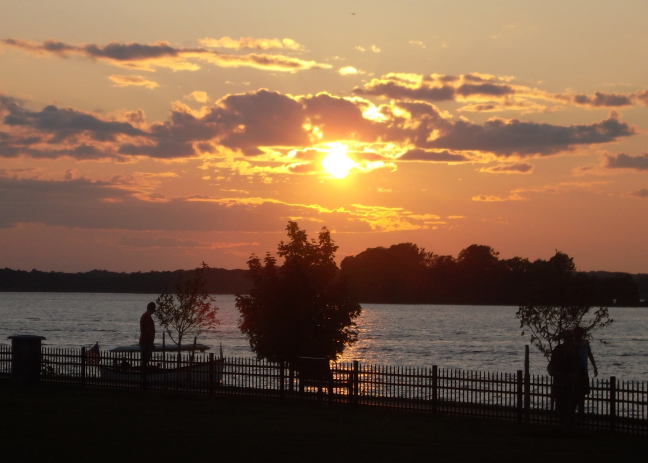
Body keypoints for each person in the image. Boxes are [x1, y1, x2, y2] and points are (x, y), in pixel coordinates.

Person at [572, 326, 598, 411]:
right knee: (575, 393)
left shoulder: (585, 343)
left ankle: (581, 412)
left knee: (582, 393)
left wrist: (594, 367)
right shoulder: (572, 344)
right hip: (574, 371)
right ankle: (573, 411)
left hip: (583, 370)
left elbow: (589, 354)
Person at [139, 302, 156, 369]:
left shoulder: (145, 316)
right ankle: (143, 374)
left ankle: (144, 372)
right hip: (146, 341)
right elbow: (148, 330)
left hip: (145, 341)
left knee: (145, 359)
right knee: (145, 359)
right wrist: (151, 342)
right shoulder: (147, 317)